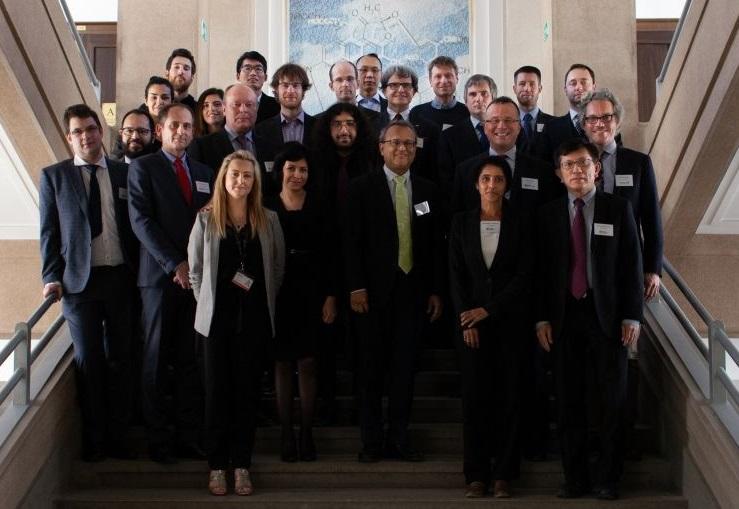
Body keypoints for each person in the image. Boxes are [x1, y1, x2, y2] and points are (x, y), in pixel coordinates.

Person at [535, 139, 643, 501]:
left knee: (612, 401)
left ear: (596, 169)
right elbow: (540, 274)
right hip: (563, 319)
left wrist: (632, 316)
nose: (577, 170)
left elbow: (632, 265)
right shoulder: (547, 214)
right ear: (558, 173)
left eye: (583, 163)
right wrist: (540, 319)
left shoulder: (618, 208)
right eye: (569, 165)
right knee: (568, 403)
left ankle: (609, 479)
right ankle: (575, 479)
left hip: (608, 319)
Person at [39, 104, 138, 461]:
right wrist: (51, 277)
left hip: (121, 278)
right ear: (69, 138)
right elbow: (49, 233)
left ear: (101, 131)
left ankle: (121, 438)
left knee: (123, 358)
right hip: (79, 285)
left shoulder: (125, 173)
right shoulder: (54, 177)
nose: (86, 137)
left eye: (91, 129)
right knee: (89, 361)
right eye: (78, 132)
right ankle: (96, 441)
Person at [346, 120, 444, 463]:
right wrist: (356, 286)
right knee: (370, 371)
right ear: (381, 147)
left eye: (409, 144)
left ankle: (400, 438)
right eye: (395, 143)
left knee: (405, 371)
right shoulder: (361, 188)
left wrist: (435, 290)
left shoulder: (429, 190)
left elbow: (434, 245)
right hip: (371, 296)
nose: (402, 148)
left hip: (413, 295)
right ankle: (371, 441)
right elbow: (351, 242)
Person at [188, 149, 284, 496]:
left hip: (255, 321)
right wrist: (208, 304)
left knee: (247, 395)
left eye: (247, 176)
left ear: (255, 181)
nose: (241, 181)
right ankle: (217, 466)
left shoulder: (269, 219)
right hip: (216, 324)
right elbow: (195, 271)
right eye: (235, 175)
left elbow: (277, 268)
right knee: (216, 394)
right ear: (223, 179)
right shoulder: (206, 219)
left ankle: (242, 464)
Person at [128, 103, 214, 464]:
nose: (181, 131)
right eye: (174, 125)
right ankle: (159, 440)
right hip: (160, 280)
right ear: (160, 130)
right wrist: (174, 263)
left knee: (190, 361)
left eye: (188, 126)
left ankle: (188, 436)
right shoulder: (143, 168)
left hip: (196, 281)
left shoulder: (205, 172)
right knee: (156, 360)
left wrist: (195, 267)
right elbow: (141, 221)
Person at [449, 156, 531, 499]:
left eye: (498, 179)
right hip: (471, 327)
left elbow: (525, 275)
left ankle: (504, 475)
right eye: (485, 179)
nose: (491, 185)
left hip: (510, 324)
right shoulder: (461, 222)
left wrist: (489, 309)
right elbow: (455, 275)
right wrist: (467, 318)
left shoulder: (522, 222)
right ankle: (476, 475)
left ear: (507, 185)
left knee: (510, 399)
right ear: (476, 184)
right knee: (475, 401)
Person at [264, 142, 336, 462]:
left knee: (308, 362)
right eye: (291, 168)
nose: (297, 174)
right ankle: (285, 434)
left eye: (303, 169)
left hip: (313, 289)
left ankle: (306, 432)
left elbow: (332, 253)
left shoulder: (321, 204)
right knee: (281, 363)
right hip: (277, 290)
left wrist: (331, 296)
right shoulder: (266, 205)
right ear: (280, 171)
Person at [579, 88, 663, 299]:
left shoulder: (639, 163)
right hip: (583, 261)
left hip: (626, 260)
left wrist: (653, 268)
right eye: (592, 118)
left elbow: (652, 218)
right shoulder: (573, 163)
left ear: (617, 120)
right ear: (584, 124)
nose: (600, 124)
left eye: (606, 117)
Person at [452, 97, 559, 217]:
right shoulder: (465, 171)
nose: (501, 126)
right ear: (485, 128)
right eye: (495, 120)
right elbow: (458, 219)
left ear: (519, 127)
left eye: (508, 120)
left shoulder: (542, 171)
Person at [378, 64, 440, 183]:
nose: (401, 90)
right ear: (384, 91)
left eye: (406, 85)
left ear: (414, 91)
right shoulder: (371, 126)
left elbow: (434, 169)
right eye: (394, 85)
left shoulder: (430, 129)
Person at [438, 74, 497, 193]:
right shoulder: (449, 137)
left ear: (494, 99)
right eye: (473, 94)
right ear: (465, 102)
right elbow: (446, 181)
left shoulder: (506, 131)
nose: (478, 99)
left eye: (484, 93)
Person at [255, 63, 316, 162]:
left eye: (295, 85)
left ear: (303, 91)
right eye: (285, 85)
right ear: (276, 90)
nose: (290, 91)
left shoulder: (319, 127)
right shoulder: (261, 130)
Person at [410, 56, 469, 130]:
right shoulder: (416, 113)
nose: (443, 81)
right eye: (438, 76)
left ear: (457, 79)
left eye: (448, 76)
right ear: (430, 81)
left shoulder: (469, 113)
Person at [512, 65, 552, 154]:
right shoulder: (506, 124)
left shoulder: (553, 123)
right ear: (514, 89)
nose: (527, 89)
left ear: (540, 88)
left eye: (532, 84)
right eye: (522, 84)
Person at [236, 50, 280, 123]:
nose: (253, 73)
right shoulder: (229, 105)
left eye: (258, 69)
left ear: (265, 77)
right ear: (238, 76)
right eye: (247, 68)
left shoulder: (278, 106)